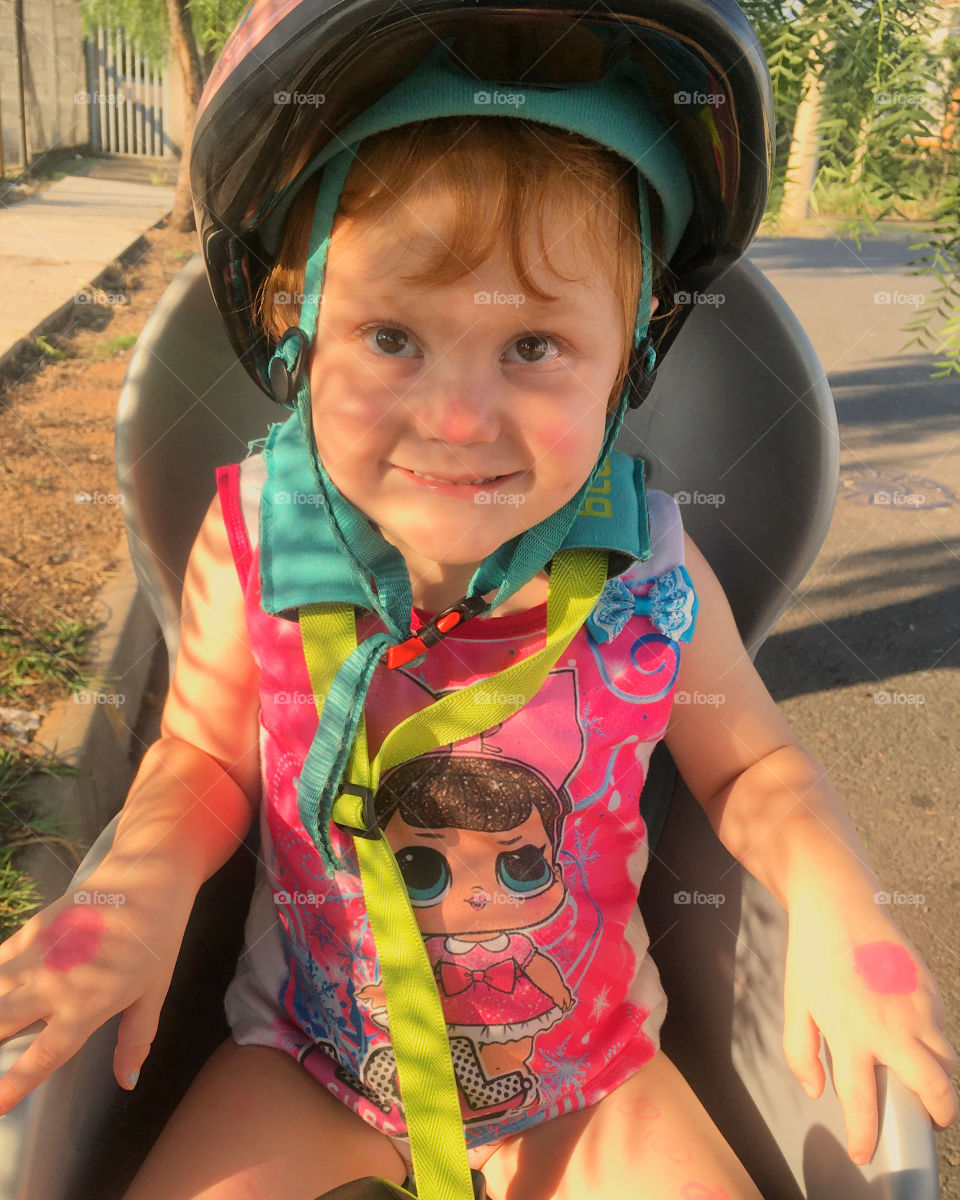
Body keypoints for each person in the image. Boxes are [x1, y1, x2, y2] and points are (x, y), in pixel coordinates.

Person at [0, 5, 956, 1199]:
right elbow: (200, 755)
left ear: (630, 363)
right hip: (307, 1062)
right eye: (392, 336)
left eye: (535, 347)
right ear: (298, 329)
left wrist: (837, 904)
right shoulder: (258, 539)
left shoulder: (644, 566)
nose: (459, 419)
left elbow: (753, 768)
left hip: (592, 1078)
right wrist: (127, 893)